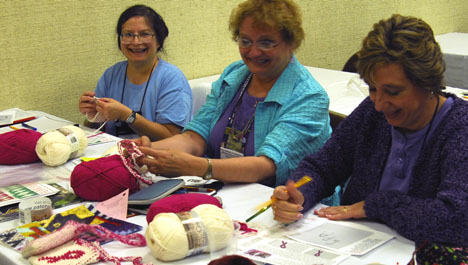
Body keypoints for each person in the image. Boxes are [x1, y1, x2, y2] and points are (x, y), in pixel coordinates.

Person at [272, 14, 468, 247]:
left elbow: (456, 220)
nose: (379, 104)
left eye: (393, 92)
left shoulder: (460, 128)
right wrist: (300, 192)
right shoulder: (372, 113)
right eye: (373, 89)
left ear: (428, 84)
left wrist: (375, 205)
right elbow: (323, 166)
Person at [137, 0, 331, 187]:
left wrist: (198, 167)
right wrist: (145, 150)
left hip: (281, 205)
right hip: (226, 190)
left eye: (266, 43)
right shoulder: (234, 75)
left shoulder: (309, 98)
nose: (254, 52)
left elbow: (265, 165)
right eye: (245, 41)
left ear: (292, 43)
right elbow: (195, 138)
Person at [78, 5, 192, 140]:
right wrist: (93, 116)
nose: (136, 42)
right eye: (128, 34)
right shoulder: (111, 75)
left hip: (157, 157)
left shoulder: (171, 79)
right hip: (115, 154)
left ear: (159, 40)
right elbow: (97, 132)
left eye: (144, 34)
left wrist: (127, 115)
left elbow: (173, 138)